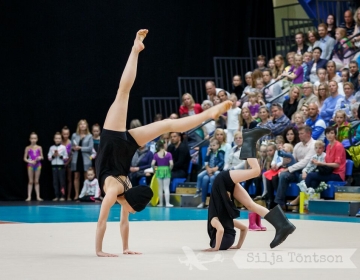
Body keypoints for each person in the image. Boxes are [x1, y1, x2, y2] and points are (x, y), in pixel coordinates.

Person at [95, 30, 233, 257]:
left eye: (133, 210)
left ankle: (210, 113)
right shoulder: (122, 189)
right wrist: (109, 250)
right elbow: (112, 222)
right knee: (136, 102)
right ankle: (208, 113)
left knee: (128, 96)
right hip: (121, 144)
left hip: (114, 140)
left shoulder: (116, 191)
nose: (131, 213)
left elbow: (104, 222)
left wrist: (110, 249)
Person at [205, 128, 296, 251]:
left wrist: (214, 249)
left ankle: (249, 139)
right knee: (251, 205)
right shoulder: (221, 219)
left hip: (221, 181)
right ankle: (283, 225)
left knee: (256, 171)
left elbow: (221, 230)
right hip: (223, 187)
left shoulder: (215, 220)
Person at [274, 126, 316, 207]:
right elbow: (293, 159)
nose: (299, 136)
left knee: (301, 177)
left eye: (301, 134)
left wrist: (289, 169)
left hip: (307, 170)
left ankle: (300, 204)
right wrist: (286, 163)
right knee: (283, 175)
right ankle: (279, 203)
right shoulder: (297, 145)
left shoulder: (314, 145)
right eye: (299, 134)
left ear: (308, 134)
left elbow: (305, 162)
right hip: (296, 170)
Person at [196, 138, 225, 208]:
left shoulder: (220, 152)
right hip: (209, 170)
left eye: (213, 145)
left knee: (213, 178)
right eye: (211, 145)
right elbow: (205, 161)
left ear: (218, 145)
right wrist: (207, 153)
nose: (212, 147)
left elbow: (222, 162)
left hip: (215, 171)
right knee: (204, 178)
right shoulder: (210, 153)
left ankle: (213, 202)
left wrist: (215, 168)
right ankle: (203, 201)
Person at [71, 119, 94, 200]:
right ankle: (77, 194)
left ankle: (85, 194)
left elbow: (90, 148)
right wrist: (74, 148)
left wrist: (80, 148)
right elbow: (71, 147)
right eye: (81, 124)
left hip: (86, 159)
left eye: (84, 124)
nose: (82, 126)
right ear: (79, 126)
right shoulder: (74, 135)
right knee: (76, 176)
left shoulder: (90, 136)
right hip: (76, 159)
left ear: (86, 126)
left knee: (86, 177)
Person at [151, 140, 173, 207]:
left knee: (160, 188)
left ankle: (160, 203)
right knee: (166, 188)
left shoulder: (156, 154)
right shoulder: (169, 154)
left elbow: (152, 164)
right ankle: (167, 203)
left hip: (159, 170)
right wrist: (170, 169)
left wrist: (154, 170)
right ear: (164, 145)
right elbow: (171, 164)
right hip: (166, 169)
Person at [48, 132, 68, 201]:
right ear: (54, 139)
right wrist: (53, 155)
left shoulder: (63, 147)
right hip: (54, 166)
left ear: (61, 139)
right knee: (55, 182)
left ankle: (62, 196)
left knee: (62, 181)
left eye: (59, 138)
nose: (57, 139)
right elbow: (49, 157)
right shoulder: (51, 148)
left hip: (61, 166)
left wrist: (60, 155)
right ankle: (56, 196)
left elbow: (66, 157)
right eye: (56, 138)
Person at [23, 132, 44, 201]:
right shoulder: (27, 148)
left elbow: (42, 156)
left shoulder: (39, 147)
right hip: (30, 165)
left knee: (37, 181)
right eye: (32, 138)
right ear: (29, 139)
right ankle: (29, 196)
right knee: (30, 181)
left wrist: (39, 158)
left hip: (38, 165)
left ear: (37, 139)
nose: (33, 140)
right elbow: (24, 158)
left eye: (35, 138)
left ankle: (38, 196)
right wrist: (30, 161)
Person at [61, 126, 73, 201]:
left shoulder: (70, 142)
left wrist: (67, 162)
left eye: (67, 134)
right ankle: (62, 195)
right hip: (61, 163)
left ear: (69, 134)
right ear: (62, 134)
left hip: (69, 163)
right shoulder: (60, 142)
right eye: (64, 134)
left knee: (69, 179)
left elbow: (72, 154)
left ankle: (68, 196)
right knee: (62, 180)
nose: (65, 135)